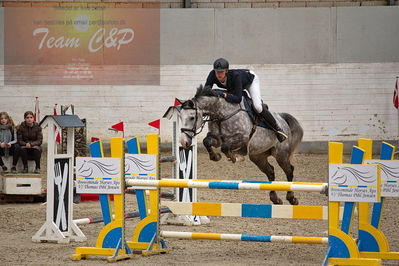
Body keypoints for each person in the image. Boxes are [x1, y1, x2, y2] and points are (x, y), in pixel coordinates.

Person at [204, 58, 288, 142]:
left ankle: (277, 129)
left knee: (257, 106)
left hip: (250, 81)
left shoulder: (236, 76)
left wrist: (222, 94)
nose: (218, 74)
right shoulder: (212, 74)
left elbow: (237, 99)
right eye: (217, 72)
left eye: (221, 72)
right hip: (234, 87)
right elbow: (206, 89)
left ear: (226, 71)